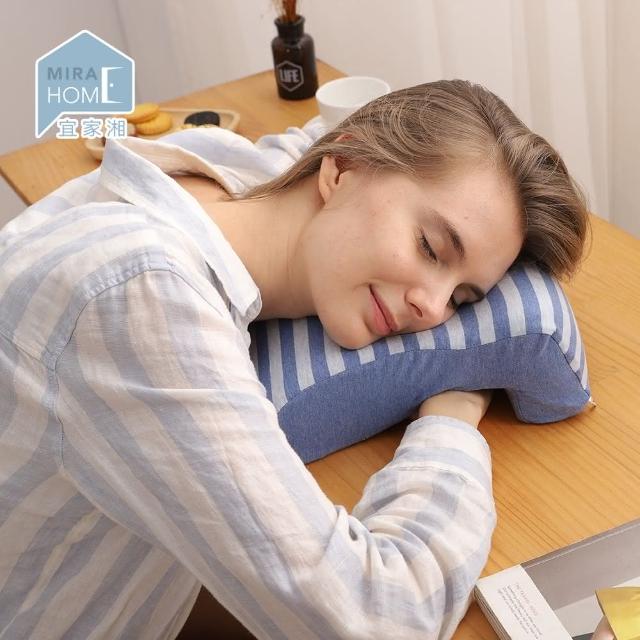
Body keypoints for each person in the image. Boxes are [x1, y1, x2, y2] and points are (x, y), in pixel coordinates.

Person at [0, 80, 589, 639]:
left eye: (462, 299)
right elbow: (376, 621)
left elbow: (300, 142)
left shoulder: (219, 175)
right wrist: (453, 419)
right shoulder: (143, 300)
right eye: (430, 247)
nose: (433, 309)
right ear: (342, 167)